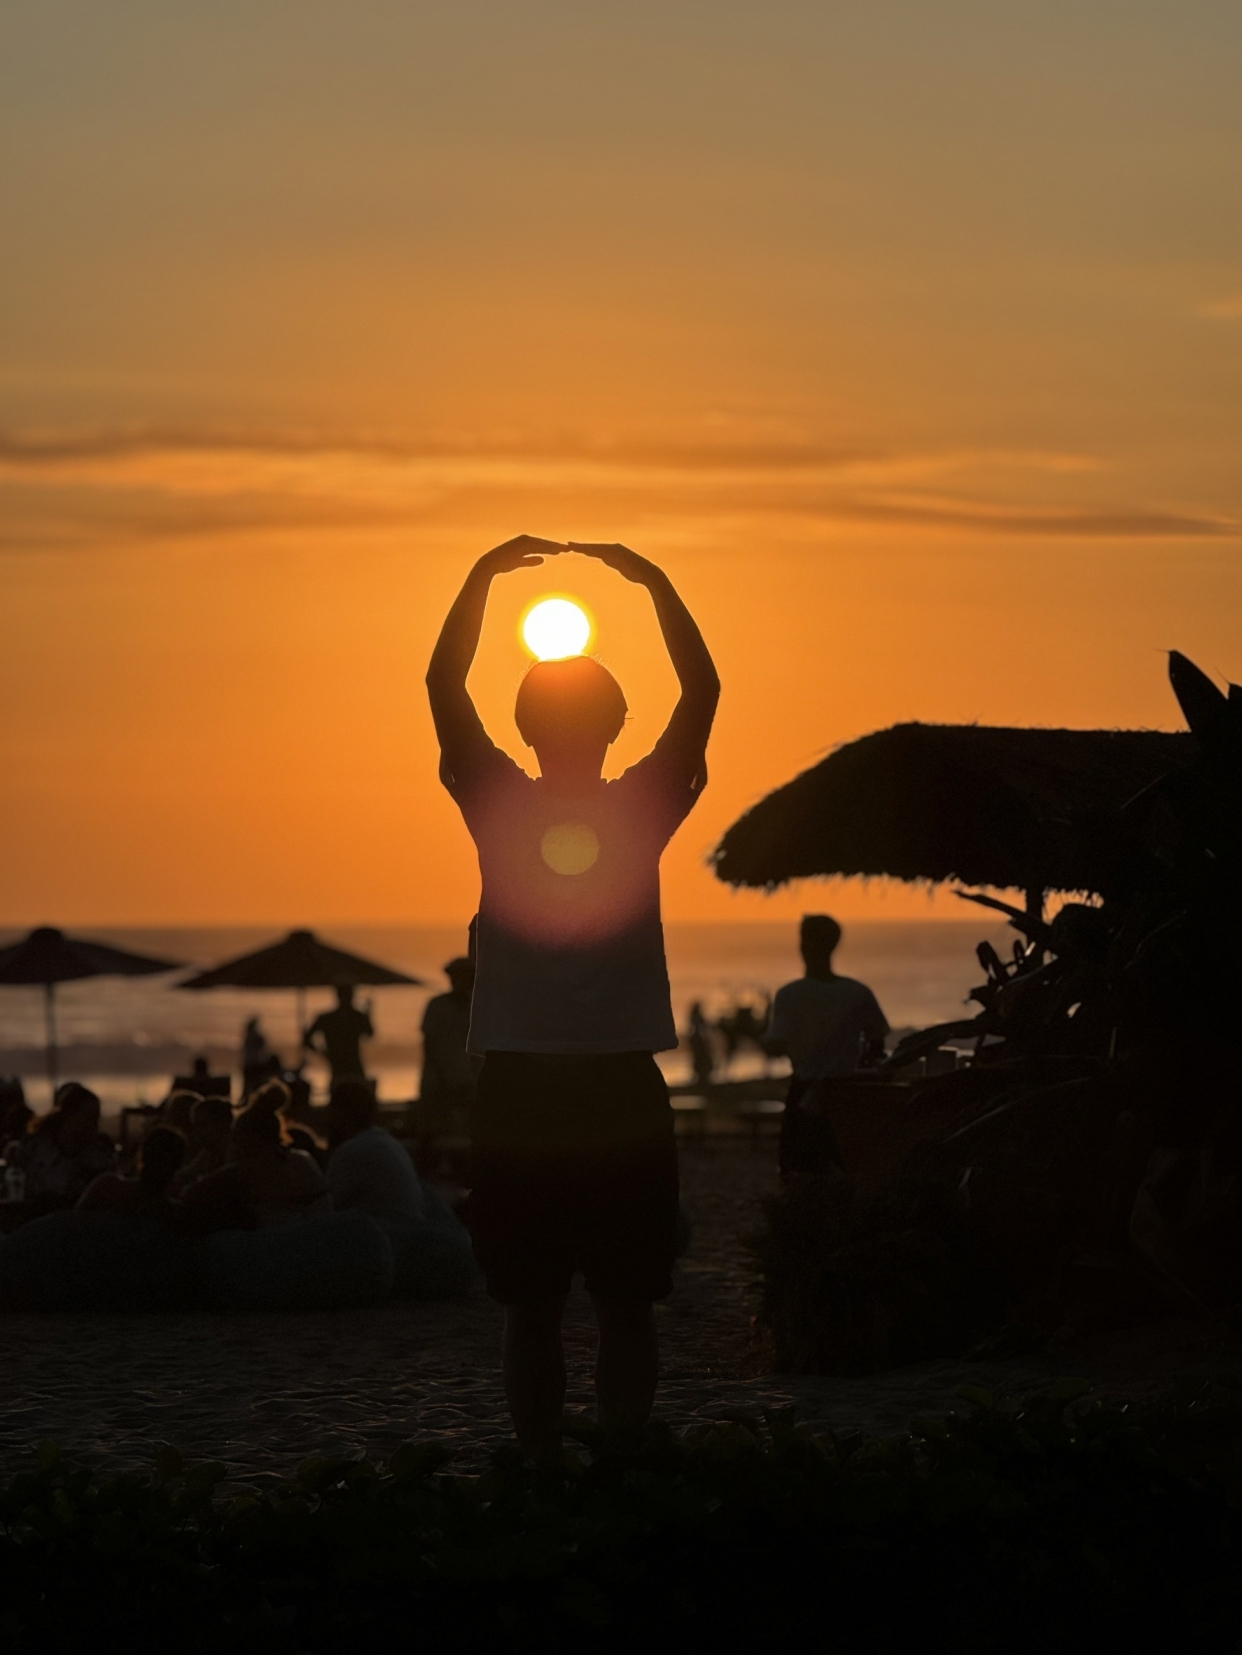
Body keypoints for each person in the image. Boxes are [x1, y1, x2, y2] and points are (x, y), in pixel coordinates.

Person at [427, 534, 719, 1457]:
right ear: (616, 724)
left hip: (520, 1087)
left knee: (532, 1306)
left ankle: (542, 1465)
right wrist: (653, 583)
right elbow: (704, 690)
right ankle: (622, 1458)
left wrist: (479, 579)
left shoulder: (497, 801)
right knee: (626, 1303)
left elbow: (442, 684)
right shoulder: (642, 807)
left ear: (523, 728)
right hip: (620, 1086)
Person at [765, 915, 890, 1179]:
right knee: (844, 1169)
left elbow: (775, 1048)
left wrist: (753, 1030)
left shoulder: (789, 995)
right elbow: (878, 1040)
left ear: (802, 946)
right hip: (847, 1092)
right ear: (834, 945)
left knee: (797, 1171)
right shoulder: (857, 993)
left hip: (804, 1091)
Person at [182, 1081, 330, 1233]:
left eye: (236, 1139)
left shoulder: (245, 1171)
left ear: (250, 1141)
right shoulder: (303, 1160)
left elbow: (192, 1194)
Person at [326, 1079, 427, 1227]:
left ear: (341, 1113)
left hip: (389, 1238)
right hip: (407, 1234)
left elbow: (327, 1205)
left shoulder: (352, 1152)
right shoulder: (386, 1142)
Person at [12, 1082, 116, 1212]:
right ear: (69, 1115)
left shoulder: (100, 1151)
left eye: (96, 1118)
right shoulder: (36, 1147)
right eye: (89, 1117)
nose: (94, 1125)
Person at [417, 955, 480, 1158]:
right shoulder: (438, 1005)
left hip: (466, 1080)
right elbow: (430, 1044)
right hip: (439, 1082)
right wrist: (441, 1075)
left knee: (465, 1132)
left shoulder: (477, 1006)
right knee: (436, 1132)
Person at [77, 1125, 188, 1222]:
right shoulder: (174, 1211)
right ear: (178, 1165)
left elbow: (73, 1221)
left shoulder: (107, 1187)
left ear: (143, 1155)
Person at [302, 985, 374, 1085]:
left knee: (343, 1086)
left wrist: (325, 1053)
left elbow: (306, 1039)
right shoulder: (356, 1016)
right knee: (355, 1087)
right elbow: (369, 1034)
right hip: (348, 1061)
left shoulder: (328, 1018)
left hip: (341, 1060)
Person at [172, 1093, 234, 1192]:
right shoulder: (209, 1153)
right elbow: (187, 1173)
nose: (197, 1132)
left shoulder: (235, 1152)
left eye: (203, 1125)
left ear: (221, 1123)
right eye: (196, 1126)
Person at [241, 1017, 274, 1099]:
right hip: (255, 1064)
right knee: (254, 1085)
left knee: (249, 1086)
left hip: (251, 1064)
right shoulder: (256, 1037)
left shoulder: (249, 1037)